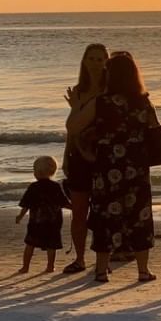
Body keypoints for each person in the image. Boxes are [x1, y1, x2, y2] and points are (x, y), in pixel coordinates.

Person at [65, 50, 161, 286]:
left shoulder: (101, 102)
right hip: (136, 167)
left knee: (105, 217)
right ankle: (143, 270)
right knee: (139, 216)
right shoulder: (143, 101)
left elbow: (73, 128)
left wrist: (76, 106)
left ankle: (101, 271)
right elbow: (155, 128)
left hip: (107, 167)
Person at [61, 43, 108, 273]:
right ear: (84, 62)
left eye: (100, 59)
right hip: (79, 154)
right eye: (92, 59)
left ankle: (104, 258)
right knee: (79, 210)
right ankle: (79, 258)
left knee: (104, 211)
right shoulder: (79, 91)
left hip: (103, 157)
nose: (96, 63)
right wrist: (66, 155)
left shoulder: (111, 90)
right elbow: (72, 127)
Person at [17, 156, 71, 275]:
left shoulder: (33, 187)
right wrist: (74, 208)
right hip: (53, 222)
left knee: (30, 244)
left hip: (36, 222)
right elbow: (63, 202)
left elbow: (26, 204)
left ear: (38, 172)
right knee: (51, 245)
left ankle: (25, 267)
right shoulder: (55, 186)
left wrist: (20, 216)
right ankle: (50, 266)